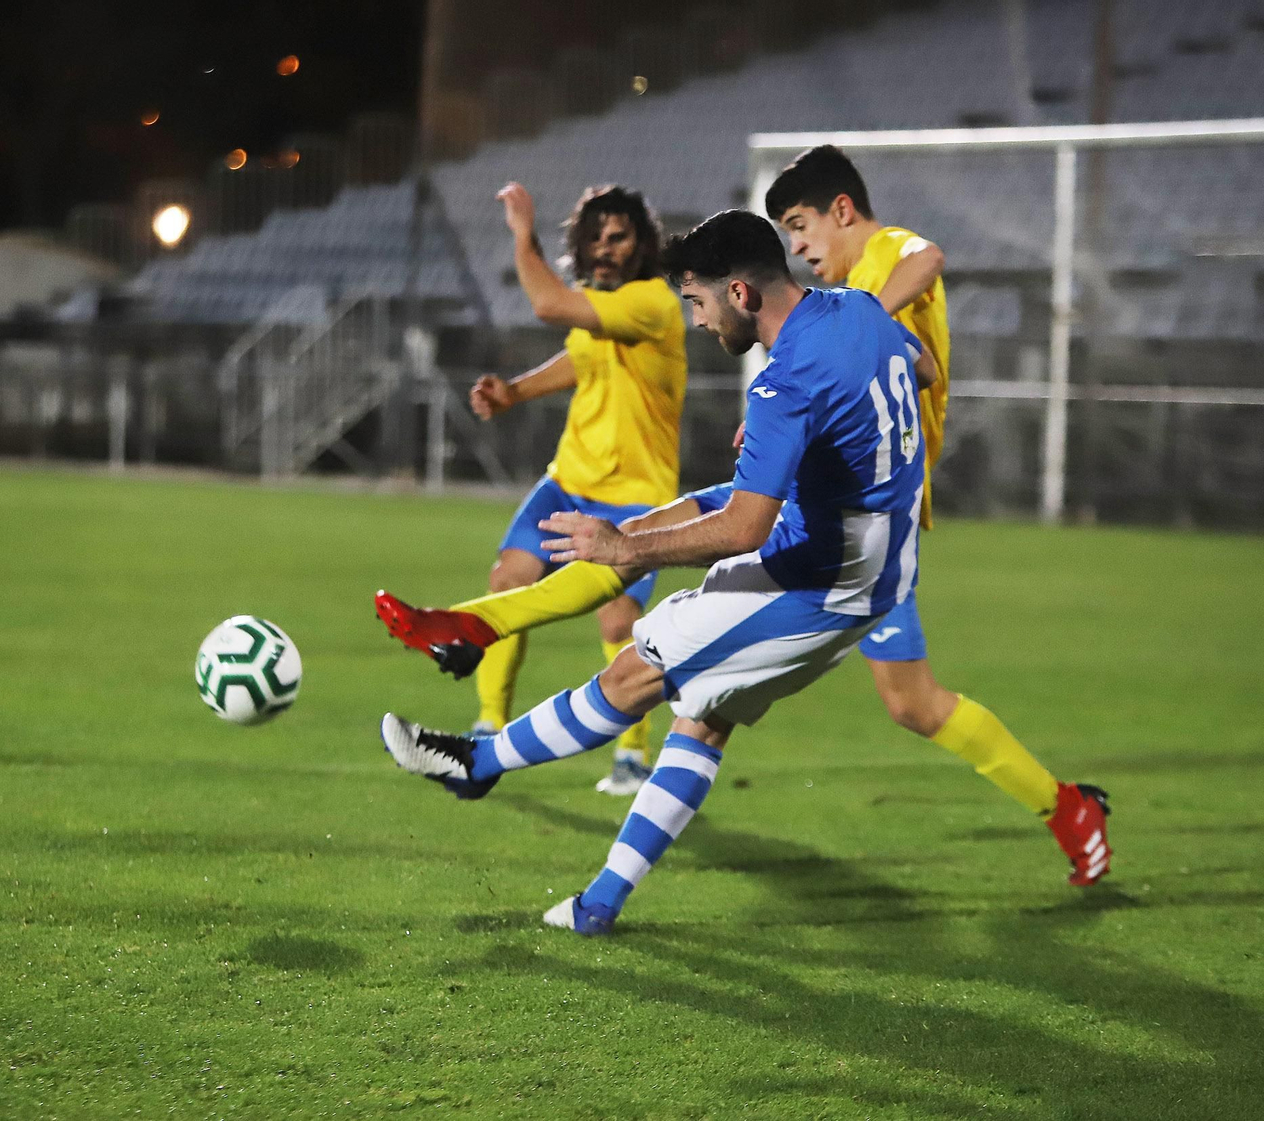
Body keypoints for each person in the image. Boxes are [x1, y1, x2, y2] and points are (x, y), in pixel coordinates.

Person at [376, 147, 1111, 889]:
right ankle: (484, 639)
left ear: (843, 212)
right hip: (856, 510)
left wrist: (836, 353)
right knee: (873, 695)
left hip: (851, 536)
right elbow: (919, 365)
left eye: (802, 226)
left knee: (655, 613)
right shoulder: (843, 309)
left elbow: (926, 258)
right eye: (786, 235)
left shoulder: (873, 270)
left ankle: (482, 737)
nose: (799, 247)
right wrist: (845, 350)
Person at [385, 182, 687, 796]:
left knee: (617, 622)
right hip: (569, 483)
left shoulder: (651, 300)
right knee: (506, 581)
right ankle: (488, 723)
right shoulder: (601, 311)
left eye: (619, 235)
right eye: (596, 236)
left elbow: (548, 306)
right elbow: (580, 357)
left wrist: (522, 237)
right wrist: (516, 391)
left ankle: (631, 754)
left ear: (642, 243)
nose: (605, 247)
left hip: (636, 495)